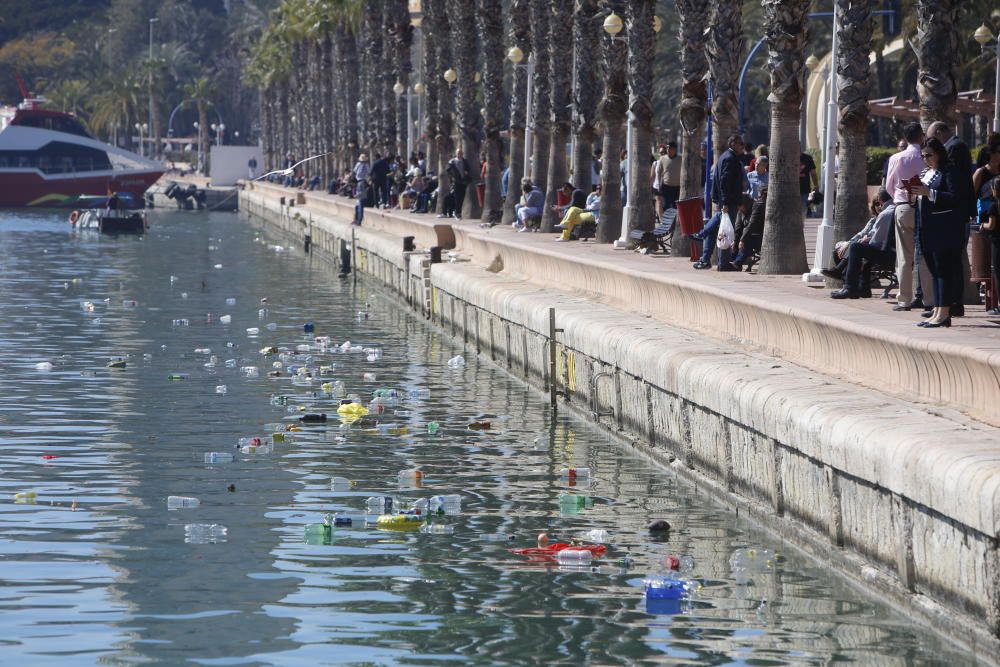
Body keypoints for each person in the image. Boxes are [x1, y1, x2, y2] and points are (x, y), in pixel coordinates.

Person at [909, 138, 966, 328]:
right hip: (926, 228)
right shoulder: (926, 173)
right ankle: (937, 309)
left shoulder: (949, 172)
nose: (926, 159)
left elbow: (956, 198)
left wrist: (930, 194)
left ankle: (944, 311)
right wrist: (913, 192)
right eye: (923, 156)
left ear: (939, 153)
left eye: (929, 155)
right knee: (934, 270)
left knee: (944, 271)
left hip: (944, 229)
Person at [885, 122, 926, 311]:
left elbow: (889, 186)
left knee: (904, 256)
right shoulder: (927, 157)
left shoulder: (897, 158)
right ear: (921, 136)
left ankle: (904, 299)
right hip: (924, 208)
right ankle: (929, 298)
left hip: (903, 208)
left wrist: (900, 198)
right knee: (924, 255)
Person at [689, 134, 746, 269]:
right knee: (725, 231)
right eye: (740, 144)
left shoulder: (726, 157)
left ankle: (705, 256)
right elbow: (724, 182)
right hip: (728, 202)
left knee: (715, 230)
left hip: (725, 200)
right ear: (733, 144)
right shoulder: (730, 159)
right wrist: (726, 203)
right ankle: (723, 263)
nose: (742, 146)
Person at [829, 190, 896, 299]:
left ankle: (850, 287)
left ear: (880, 201)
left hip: (890, 255)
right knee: (861, 248)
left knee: (857, 248)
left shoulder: (886, 214)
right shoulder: (896, 209)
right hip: (897, 253)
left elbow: (876, 242)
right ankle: (863, 288)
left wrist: (865, 241)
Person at [443, 148, 471, 219]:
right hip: (456, 182)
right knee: (457, 197)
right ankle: (456, 212)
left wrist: (466, 174)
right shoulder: (452, 161)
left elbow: (468, 169)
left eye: (461, 153)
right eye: (459, 153)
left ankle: (458, 212)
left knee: (461, 197)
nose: (460, 154)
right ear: (456, 154)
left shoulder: (464, 161)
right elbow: (448, 170)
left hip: (463, 182)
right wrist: (452, 177)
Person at [655, 142, 681, 213]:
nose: (668, 150)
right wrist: (658, 184)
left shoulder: (680, 159)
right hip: (666, 186)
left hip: (677, 187)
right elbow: (659, 172)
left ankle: (675, 222)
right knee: (666, 205)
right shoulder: (662, 158)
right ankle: (666, 222)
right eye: (667, 148)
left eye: (670, 148)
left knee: (676, 206)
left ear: (675, 149)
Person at [799, 151, 818, 217]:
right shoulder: (808, 158)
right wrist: (816, 185)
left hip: (803, 189)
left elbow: (813, 173)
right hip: (803, 189)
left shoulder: (807, 158)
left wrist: (816, 184)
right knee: (803, 211)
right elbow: (813, 173)